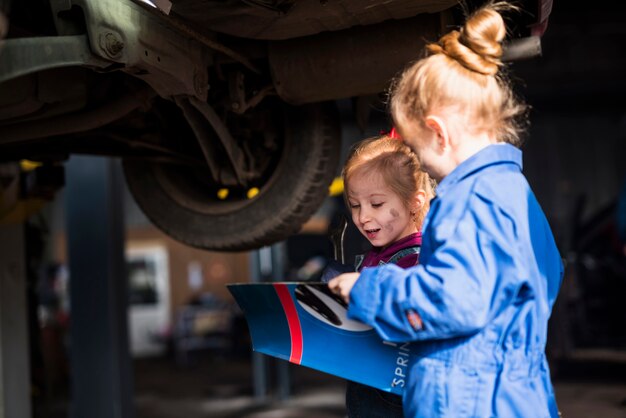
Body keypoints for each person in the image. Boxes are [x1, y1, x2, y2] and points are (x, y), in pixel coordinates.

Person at [329, 3, 564, 417]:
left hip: (465, 399)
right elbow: (550, 274)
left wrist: (368, 290)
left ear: (438, 133)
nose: (423, 166)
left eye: (417, 149)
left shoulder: (465, 199)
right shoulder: (516, 193)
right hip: (513, 392)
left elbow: (453, 299)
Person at [325, 135, 434, 417]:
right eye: (355, 205)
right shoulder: (377, 254)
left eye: (376, 204)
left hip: (396, 394)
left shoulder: (418, 259)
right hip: (367, 387)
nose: (362, 217)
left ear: (414, 202)